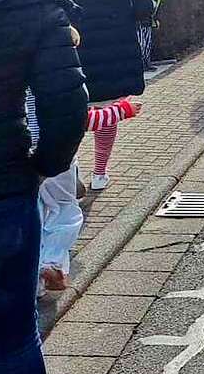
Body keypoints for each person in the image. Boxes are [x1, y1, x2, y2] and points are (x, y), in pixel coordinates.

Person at [0, 0, 88, 374]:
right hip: (1, 190)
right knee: (8, 340)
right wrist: (42, 165)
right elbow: (65, 106)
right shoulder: (32, 2)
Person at [52, 0, 154, 191]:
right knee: (108, 110)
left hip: (74, 47)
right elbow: (145, 9)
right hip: (116, 49)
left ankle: (69, 170)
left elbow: (54, 7)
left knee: (74, 110)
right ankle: (100, 173)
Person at [30, 94, 142, 293]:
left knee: (33, 218)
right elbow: (81, 120)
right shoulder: (51, 82)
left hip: (20, 157)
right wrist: (122, 110)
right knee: (65, 212)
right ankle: (52, 264)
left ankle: (35, 283)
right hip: (57, 157)